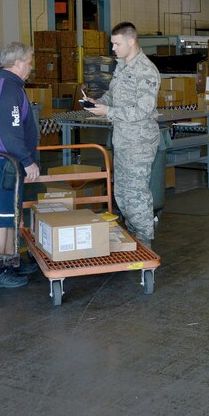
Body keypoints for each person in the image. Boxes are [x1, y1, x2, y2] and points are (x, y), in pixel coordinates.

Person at [84, 22, 160, 247]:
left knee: (136, 193)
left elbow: (143, 110)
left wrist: (109, 112)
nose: (113, 49)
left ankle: (144, 240)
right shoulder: (122, 66)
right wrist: (97, 102)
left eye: (116, 44)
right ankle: (133, 235)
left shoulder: (146, 70)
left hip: (139, 142)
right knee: (123, 192)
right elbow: (113, 96)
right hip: (123, 139)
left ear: (131, 41)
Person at [0, 42, 41, 288]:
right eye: (30, 62)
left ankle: (11, 263)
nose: (31, 68)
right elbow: (9, 132)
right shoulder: (7, 88)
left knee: (10, 217)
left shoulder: (3, 85)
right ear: (18, 62)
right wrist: (28, 161)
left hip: (5, 163)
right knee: (0, 221)